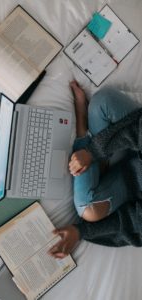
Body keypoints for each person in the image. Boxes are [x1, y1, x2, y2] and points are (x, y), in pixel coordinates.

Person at [49, 80, 142, 259]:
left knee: (87, 209)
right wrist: (93, 152)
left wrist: (81, 231)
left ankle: (83, 133)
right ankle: (96, 153)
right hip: (136, 139)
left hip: (132, 182)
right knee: (102, 102)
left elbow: (136, 221)